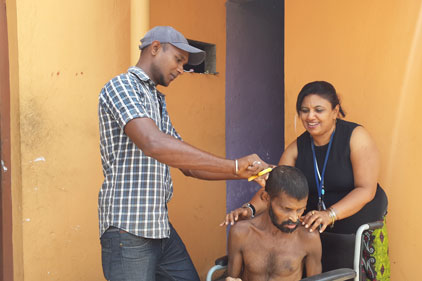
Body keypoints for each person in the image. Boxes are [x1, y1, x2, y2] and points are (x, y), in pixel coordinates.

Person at [98, 26, 269, 281]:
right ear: (155, 48)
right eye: (178, 60)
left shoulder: (155, 99)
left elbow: (189, 166)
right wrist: (233, 165)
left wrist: (241, 172)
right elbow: (152, 143)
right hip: (128, 228)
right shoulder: (122, 86)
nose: (181, 69)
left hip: (158, 226)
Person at [223, 81, 390, 281]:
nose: (310, 116)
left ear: (335, 111)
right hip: (315, 228)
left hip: (357, 230)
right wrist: (249, 209)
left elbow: (366, 190)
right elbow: (277, 186)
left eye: (318, 110)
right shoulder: (296, 149)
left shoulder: (356, 137)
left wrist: (330, 214)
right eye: (304, 110)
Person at [225, 166, 322, 281]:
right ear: (266, 198)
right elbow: (232, 277)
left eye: (300, 210)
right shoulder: (241, 233)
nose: (294, 218)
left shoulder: (308, 238)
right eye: (286, 209)